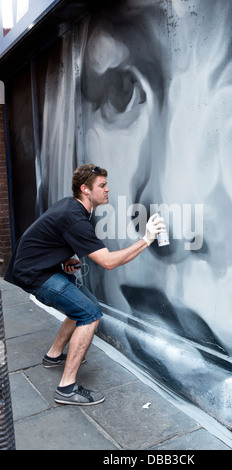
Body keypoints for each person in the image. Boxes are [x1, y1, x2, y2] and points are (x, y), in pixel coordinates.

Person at [4, 163, 165, 406]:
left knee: (84, 304)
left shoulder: (73, 208)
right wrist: (147, 239)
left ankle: (53, 356)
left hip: (40, 267)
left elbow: (47, 236)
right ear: (85, 190)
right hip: (35, 276)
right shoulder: (75, 218)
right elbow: (108, 262)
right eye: (102, 185)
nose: (107, 189)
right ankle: (66, 389)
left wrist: (63, 256)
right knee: (90, 314)